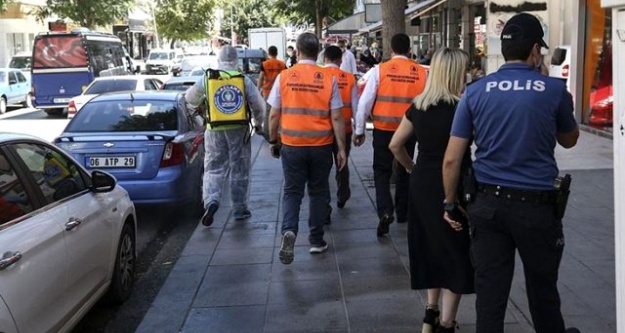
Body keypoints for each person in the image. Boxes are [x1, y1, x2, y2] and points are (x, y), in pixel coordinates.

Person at [442, 13, 580, 333]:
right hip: (536, 209)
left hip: (487, 206)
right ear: (534, 50)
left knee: (490, 296)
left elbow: (452, 159)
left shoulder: (475, 92)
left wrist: (450, 202)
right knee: (543, 292)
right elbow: (570, 140)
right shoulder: (553, 90)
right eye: (540, 51)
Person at [389, 48, 474, 333]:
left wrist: (413, 169)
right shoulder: (462, 107)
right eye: (465, 69)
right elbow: (458, 156)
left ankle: (430, 312)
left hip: (422, 183)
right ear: (454, 73)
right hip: (452, 184)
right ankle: (447, 323)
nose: (468, 74)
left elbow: (395, 145)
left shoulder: (419, 105)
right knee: (455, 251)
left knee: (428, 247)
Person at [267, 32, 347, 265]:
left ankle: (289, 231)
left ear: (298, 52)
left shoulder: (284, 76)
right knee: (319, 192)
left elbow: (273, 114)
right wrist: (341, 148)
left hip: (292, 145)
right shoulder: (327, 78)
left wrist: (274, 141)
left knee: (292, 192)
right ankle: (316, 240)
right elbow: (337, 117)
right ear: (318, 53)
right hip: (321, 146)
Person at [353, 33, 428, 237]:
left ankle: (385, 210)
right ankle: (403, 212)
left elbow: (365, 102)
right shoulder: (422, 72)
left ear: (391, 49)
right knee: (406, 168)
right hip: (410, 130)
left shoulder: (380, 70)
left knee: (381, 171)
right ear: (409, 49)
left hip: (384, 129)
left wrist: (359, 130)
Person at [186, 45, 265, 226]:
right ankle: (240, 209)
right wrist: (259, 124)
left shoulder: (207, 78)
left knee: (213, 168)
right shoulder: (242, 79)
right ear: (235, 60)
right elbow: (259, 106)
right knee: (240, 169)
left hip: (214, 130)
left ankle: (211, 201)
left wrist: (202, 106)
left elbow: (190, 98)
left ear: (219, 59)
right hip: (239, 129)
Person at [324, 45, 359, 209]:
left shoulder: (319, 77)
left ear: (324, 58)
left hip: (323, 131)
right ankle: (342, 195)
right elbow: (356, 107)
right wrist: (359, 130)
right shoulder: (350, 78)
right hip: (344, 129)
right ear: (340, 59)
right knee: (342, 164)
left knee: (322, 169)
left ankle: (324, 205)